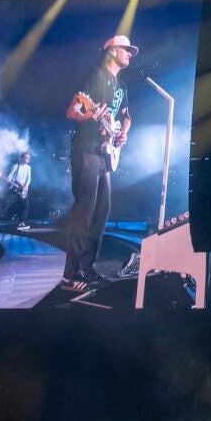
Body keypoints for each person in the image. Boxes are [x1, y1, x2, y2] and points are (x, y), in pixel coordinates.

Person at [61, 34, 136, 293]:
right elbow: (72, 111)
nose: (130, 54)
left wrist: (123, 131)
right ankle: (70, 275)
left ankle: (88, 268)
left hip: (105, 153)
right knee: (85, 209)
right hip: (86, 149)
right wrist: (92, 114)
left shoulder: (121, 86)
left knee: (102, 210)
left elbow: (127, 116)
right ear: (112, 50)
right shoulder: (95, 75)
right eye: (126, 50)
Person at [0, 148, 32, 228]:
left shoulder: (28, 168)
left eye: (29, 158)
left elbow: (29, 178)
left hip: (23, 189)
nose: (28, 159)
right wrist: (9, 180)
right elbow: (9, 177)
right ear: (22, 158)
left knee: (25, 205)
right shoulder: (16, 166)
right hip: (14, 188)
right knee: (10, 205)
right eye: (26, 157)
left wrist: (26, 186)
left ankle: (22, 222)